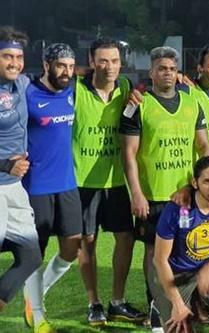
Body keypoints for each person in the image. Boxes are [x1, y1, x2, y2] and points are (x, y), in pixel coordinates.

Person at [120, 46, 209, 329]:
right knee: (152, 253)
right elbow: (129, 154)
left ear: (177, 71)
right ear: (151, 71)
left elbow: (204, 145)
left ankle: (183, 304)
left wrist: (197, 183)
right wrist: (137, 192)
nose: (167, 73)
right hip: (154, 196)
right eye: (161, 68)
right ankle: (156, 307)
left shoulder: (192, 103)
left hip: (184, 195)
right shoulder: (138, 104)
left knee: (185, 252)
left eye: (172, 68)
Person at [73, 37, 146, 326]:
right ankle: (94, 303)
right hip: (82, 181)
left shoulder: (126, 88)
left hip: (116, 182)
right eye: (103, 60)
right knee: (87, 243)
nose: (109, 66)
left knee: (125, 239)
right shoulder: (76, 90)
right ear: (91, 61)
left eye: (114, 60)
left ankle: (117, 301)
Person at [21, 43, 81, 333]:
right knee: (37, 251)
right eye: (61, 66)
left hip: (68, 183)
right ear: (46, 64)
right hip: (36, 186)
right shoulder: (27, 93)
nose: (66, 72)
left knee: (72, 247)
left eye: (70, 66)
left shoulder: (73, 91)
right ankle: (39, 316)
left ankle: (33, 296)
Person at [149, 156, 209, 332]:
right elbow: (159, 260)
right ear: (195, 182)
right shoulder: (176, 208)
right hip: (177, 275)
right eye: (207, 181)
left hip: (207, 267)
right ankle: (160, 307)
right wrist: (177, 304)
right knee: (179, 325)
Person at [0, 25, 42, 321]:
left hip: (14, 188)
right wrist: (5, 165)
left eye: (18, 57)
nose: (14, 62)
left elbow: (60, 79)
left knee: (30, 256)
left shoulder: (23, 84)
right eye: (6, 56)